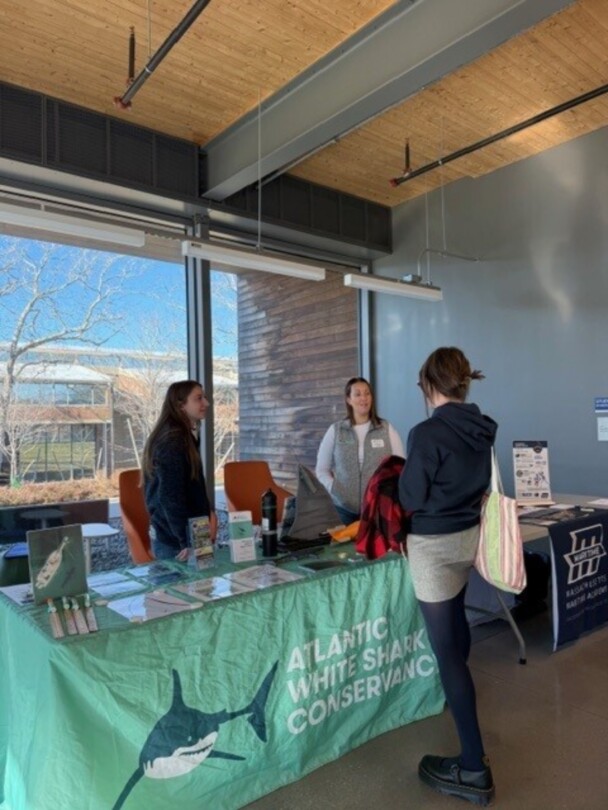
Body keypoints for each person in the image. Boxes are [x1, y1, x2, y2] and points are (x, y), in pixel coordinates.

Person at [398, 347, 497, 807]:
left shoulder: (427, 432)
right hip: (466, 539)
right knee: (458, 632)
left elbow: (412, 495)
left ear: (430, 385)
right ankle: (463, 715)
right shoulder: (482, 428)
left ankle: (473, 769)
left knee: (447, 657)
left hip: (433, 548)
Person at [143, 380, 216, 560]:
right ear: (181, 405)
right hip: (177, 542)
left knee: (203, 587)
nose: (206, 403)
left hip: (191, 534)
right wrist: (186, 541)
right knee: (179, 588)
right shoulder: (172, 441)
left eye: (204, 398)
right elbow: (170, 496)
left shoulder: (184, 436)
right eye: (199, 398)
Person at [316, 376, 404, 525]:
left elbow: (401, 468)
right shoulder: (336, 430)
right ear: (349, 400)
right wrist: (336, 489)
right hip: (342, 511)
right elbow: (321, 470)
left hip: (376, 510)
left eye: (367, 393)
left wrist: (387, 494)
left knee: (373, 549)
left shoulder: (386, 429)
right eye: (357, 394)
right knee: (342, 549)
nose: (364, 398)